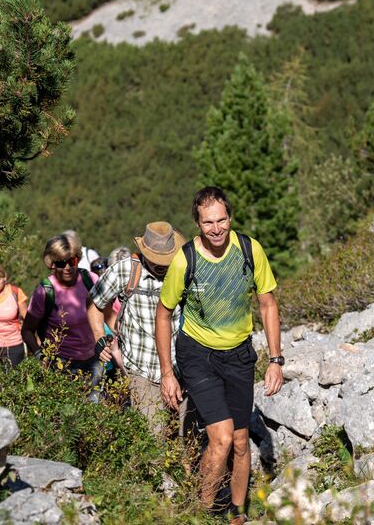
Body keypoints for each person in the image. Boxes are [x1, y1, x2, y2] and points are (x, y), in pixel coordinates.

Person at [155, 186, 284, 522]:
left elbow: (268, 303)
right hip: (198, 355)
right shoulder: (186, 259)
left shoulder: (248, 250)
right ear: (198, 223)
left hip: (238, 355)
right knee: (222, 437)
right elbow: (164, 313)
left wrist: (275, 360)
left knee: (241, 441)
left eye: (221, 220)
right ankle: (201, 512)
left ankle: (237, 514)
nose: (216, 228)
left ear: (230, 217)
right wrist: (167, 373)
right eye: (207, 222)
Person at [87, 222, 185, 436]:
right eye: (156, 259)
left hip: (183, 369)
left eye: (165, 260)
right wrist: (100, 338)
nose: (161, 265)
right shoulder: (127, 270)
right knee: (153, 442)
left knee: (185, 442)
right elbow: (95, 303)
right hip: (142, 369)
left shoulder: (184, 268)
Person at [21, 231, 100, 375]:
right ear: (51, 264)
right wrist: (40, 355)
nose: (67, 267)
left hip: (95, 361)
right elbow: (27, 331)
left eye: (72, 261)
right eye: (60, 263)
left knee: (96, 398)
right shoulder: (44, 291)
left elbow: (108, 315)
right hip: (60, 365)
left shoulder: (91, 280)